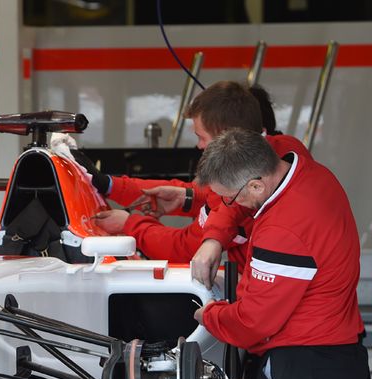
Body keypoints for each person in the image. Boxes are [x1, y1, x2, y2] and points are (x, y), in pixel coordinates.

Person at [192, 128, 368, 379]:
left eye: (230, 198)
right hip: (338, 358)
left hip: (306, 375)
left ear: (257, 186)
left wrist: (208, 315)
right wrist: (214, 239)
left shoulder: (283, 230)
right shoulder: (311, 171)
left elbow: (253, 322)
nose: (231, 207)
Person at [89, 81, 310, 271]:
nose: (199, 145)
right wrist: (187, 197)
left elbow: (183, 248)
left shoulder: (243, 193)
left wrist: (129, 225)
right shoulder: (284, 150)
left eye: (201, 137)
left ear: (227, 139)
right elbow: (212, 195)